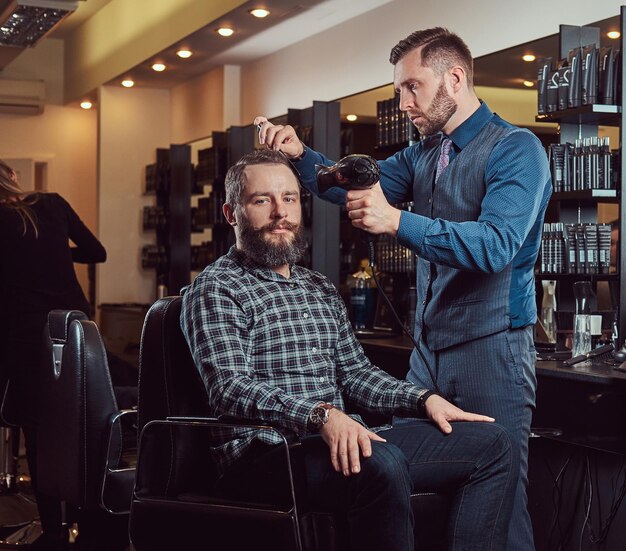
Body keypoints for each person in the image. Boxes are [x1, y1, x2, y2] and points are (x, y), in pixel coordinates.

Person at [254, 27, 552, 551]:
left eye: (412, 87)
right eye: (398, 90)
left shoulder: (516, 150)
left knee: (498, 504)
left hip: (492, 350)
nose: (403, 102)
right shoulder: (423, 154)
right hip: (427, 356)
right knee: (409, 488)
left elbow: (497, 245)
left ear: (454, 79)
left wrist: (397, 222)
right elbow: (348, 183)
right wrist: (301, 154)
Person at [180, 149, 516, 551]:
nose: (279, 213)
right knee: (380, 465)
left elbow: (356, 375)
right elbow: (230, 388)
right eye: (261, 200)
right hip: (264, 454)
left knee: (493, 444)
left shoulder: (317, 287)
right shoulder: (217, 287)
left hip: (334, 440)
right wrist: (321, 416)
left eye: (289, 198)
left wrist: (424, 400)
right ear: (231, 213)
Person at [0, 161, 127, 551]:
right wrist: (52, 252)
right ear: (13, 177)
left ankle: (53, 530)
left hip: (21, 338)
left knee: (37, 433)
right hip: (72, 333)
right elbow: (96, 251)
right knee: (82, 424)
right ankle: (90, 521)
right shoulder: (52, 203)